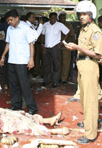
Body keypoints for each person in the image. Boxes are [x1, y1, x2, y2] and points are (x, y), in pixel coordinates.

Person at [64, 1, 102, 144]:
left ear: (91, 15)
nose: (81, 17)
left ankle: (91, 134)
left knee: (91, 100)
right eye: (80, 14)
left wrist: (78, 49)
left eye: (85, 14)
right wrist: (74, 48)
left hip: (90, 66)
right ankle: (88, 123)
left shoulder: (95, 31)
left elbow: (98, 54)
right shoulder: (83, 29)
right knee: (84, 98)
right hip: (82, 65)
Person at [0, 9, 39, 114]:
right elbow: (8, 43)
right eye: (8, 21)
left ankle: (32, 108)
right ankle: (16, 105)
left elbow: (31, 44)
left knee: (24, 85)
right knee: (13, 85)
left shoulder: (26, 28)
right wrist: (3, 56)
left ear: (17, 18)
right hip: (12, 60)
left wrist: (31, 59)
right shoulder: (9, 29)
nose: (9, 22)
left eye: (10, 20)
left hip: (22, 61)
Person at [41, 12, 69, 88]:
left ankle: (55, 82)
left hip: (55, 47)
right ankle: (46, 80)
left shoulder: (59, 25)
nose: (54, 19)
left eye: (55, 18)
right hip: (47, 47)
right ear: (49, 18)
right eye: (52, 18)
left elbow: (67, 32)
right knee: (46, 65)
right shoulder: (45, 25)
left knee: (56, 65)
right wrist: (42, 44)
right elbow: (43, 35)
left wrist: (62, 42)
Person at [58, 11, 75, 84]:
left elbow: (72, 35)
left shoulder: (69, 25)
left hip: (66, 46)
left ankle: (64, 78)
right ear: (59, 18)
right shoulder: (56, 24)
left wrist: (74, 45)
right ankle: (58, 77)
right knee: (58, 63)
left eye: (65, 17)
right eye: (62, 17)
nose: (64, 19)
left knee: (66, 63)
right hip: (57, 46)